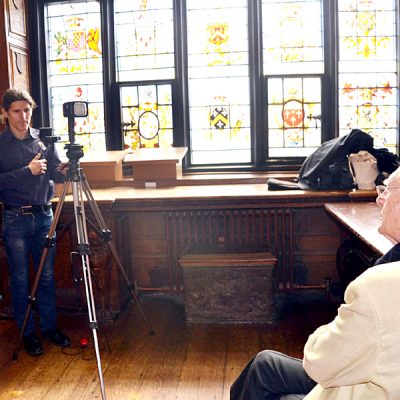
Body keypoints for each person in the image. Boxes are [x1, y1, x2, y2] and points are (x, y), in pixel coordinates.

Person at [231, 166, 400, 399]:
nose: (379, 200)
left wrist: (329, 330)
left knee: (267, 377)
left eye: (386, 191)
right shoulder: (390, 265)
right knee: (263, 365)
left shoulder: (379, 287)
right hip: (369, 373)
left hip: (358, 384)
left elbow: (320, 361)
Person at [0, 88, 70, 356]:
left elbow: (53, 172)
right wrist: (25, 172)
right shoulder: (1, 144)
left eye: (27, 110)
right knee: (19, 279)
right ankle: (27, 333)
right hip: (14, 218)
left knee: (47, 277)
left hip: (44, 216)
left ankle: (50, 328)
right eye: (16, 111)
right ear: (6, 114)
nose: (23, 117)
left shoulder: (42, 141)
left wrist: (63, 169)